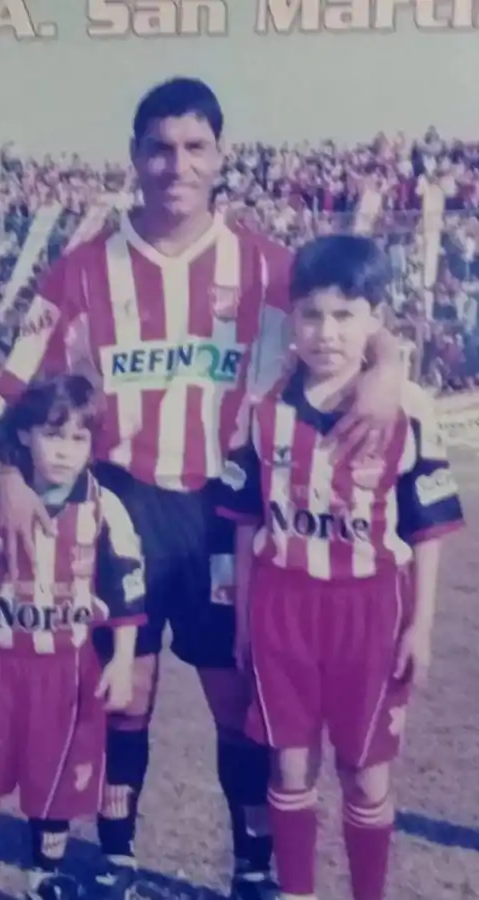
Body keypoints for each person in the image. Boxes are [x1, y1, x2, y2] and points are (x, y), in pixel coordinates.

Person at [0, 78, 405, 900]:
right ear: (135, 158)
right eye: (159, 147)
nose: (176, 164)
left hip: (223, 508)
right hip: (121, 504)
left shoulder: (267, 267)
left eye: (194, 147)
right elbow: (16, 383)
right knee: (124, 690)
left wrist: (388, 368)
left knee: (234, 691)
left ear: (220, 158)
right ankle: (117, 856)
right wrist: (8, 474)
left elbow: (351, 318)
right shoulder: (79, 271)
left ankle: (251, 864)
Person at [216, 234, 465, 900]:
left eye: (345, 315)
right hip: (282, 606)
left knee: (365, 771)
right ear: (291, 321)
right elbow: (244, 529)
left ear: (374, 320)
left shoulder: (405, 408)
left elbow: (427, 529)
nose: (327, 332)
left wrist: (422, 627)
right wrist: (243, 620)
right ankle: (297, 891)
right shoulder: (261, 412)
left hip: (371, 607)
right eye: (312, 316)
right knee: (289, 763)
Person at [0, 375, 146, 900]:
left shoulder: (104, 508)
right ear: (24, 436)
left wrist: (123, 659)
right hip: (0, 662)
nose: (65, 452)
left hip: (68, 667)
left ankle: (44, 875)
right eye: (53, 436)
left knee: (58, 775)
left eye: (78, 440)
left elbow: (127, 582)